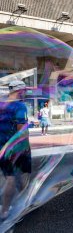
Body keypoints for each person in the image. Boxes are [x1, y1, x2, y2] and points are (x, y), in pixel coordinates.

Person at [0, 80, 31, 219]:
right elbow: (21, 132)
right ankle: (24, 206)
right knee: (22, 176)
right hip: (17, 148)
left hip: (2, 148)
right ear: (20, 90)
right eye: (24, 90)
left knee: (10, 178)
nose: (25, 93)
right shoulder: (20, 106)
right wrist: (26, 148)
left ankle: (5, 211)